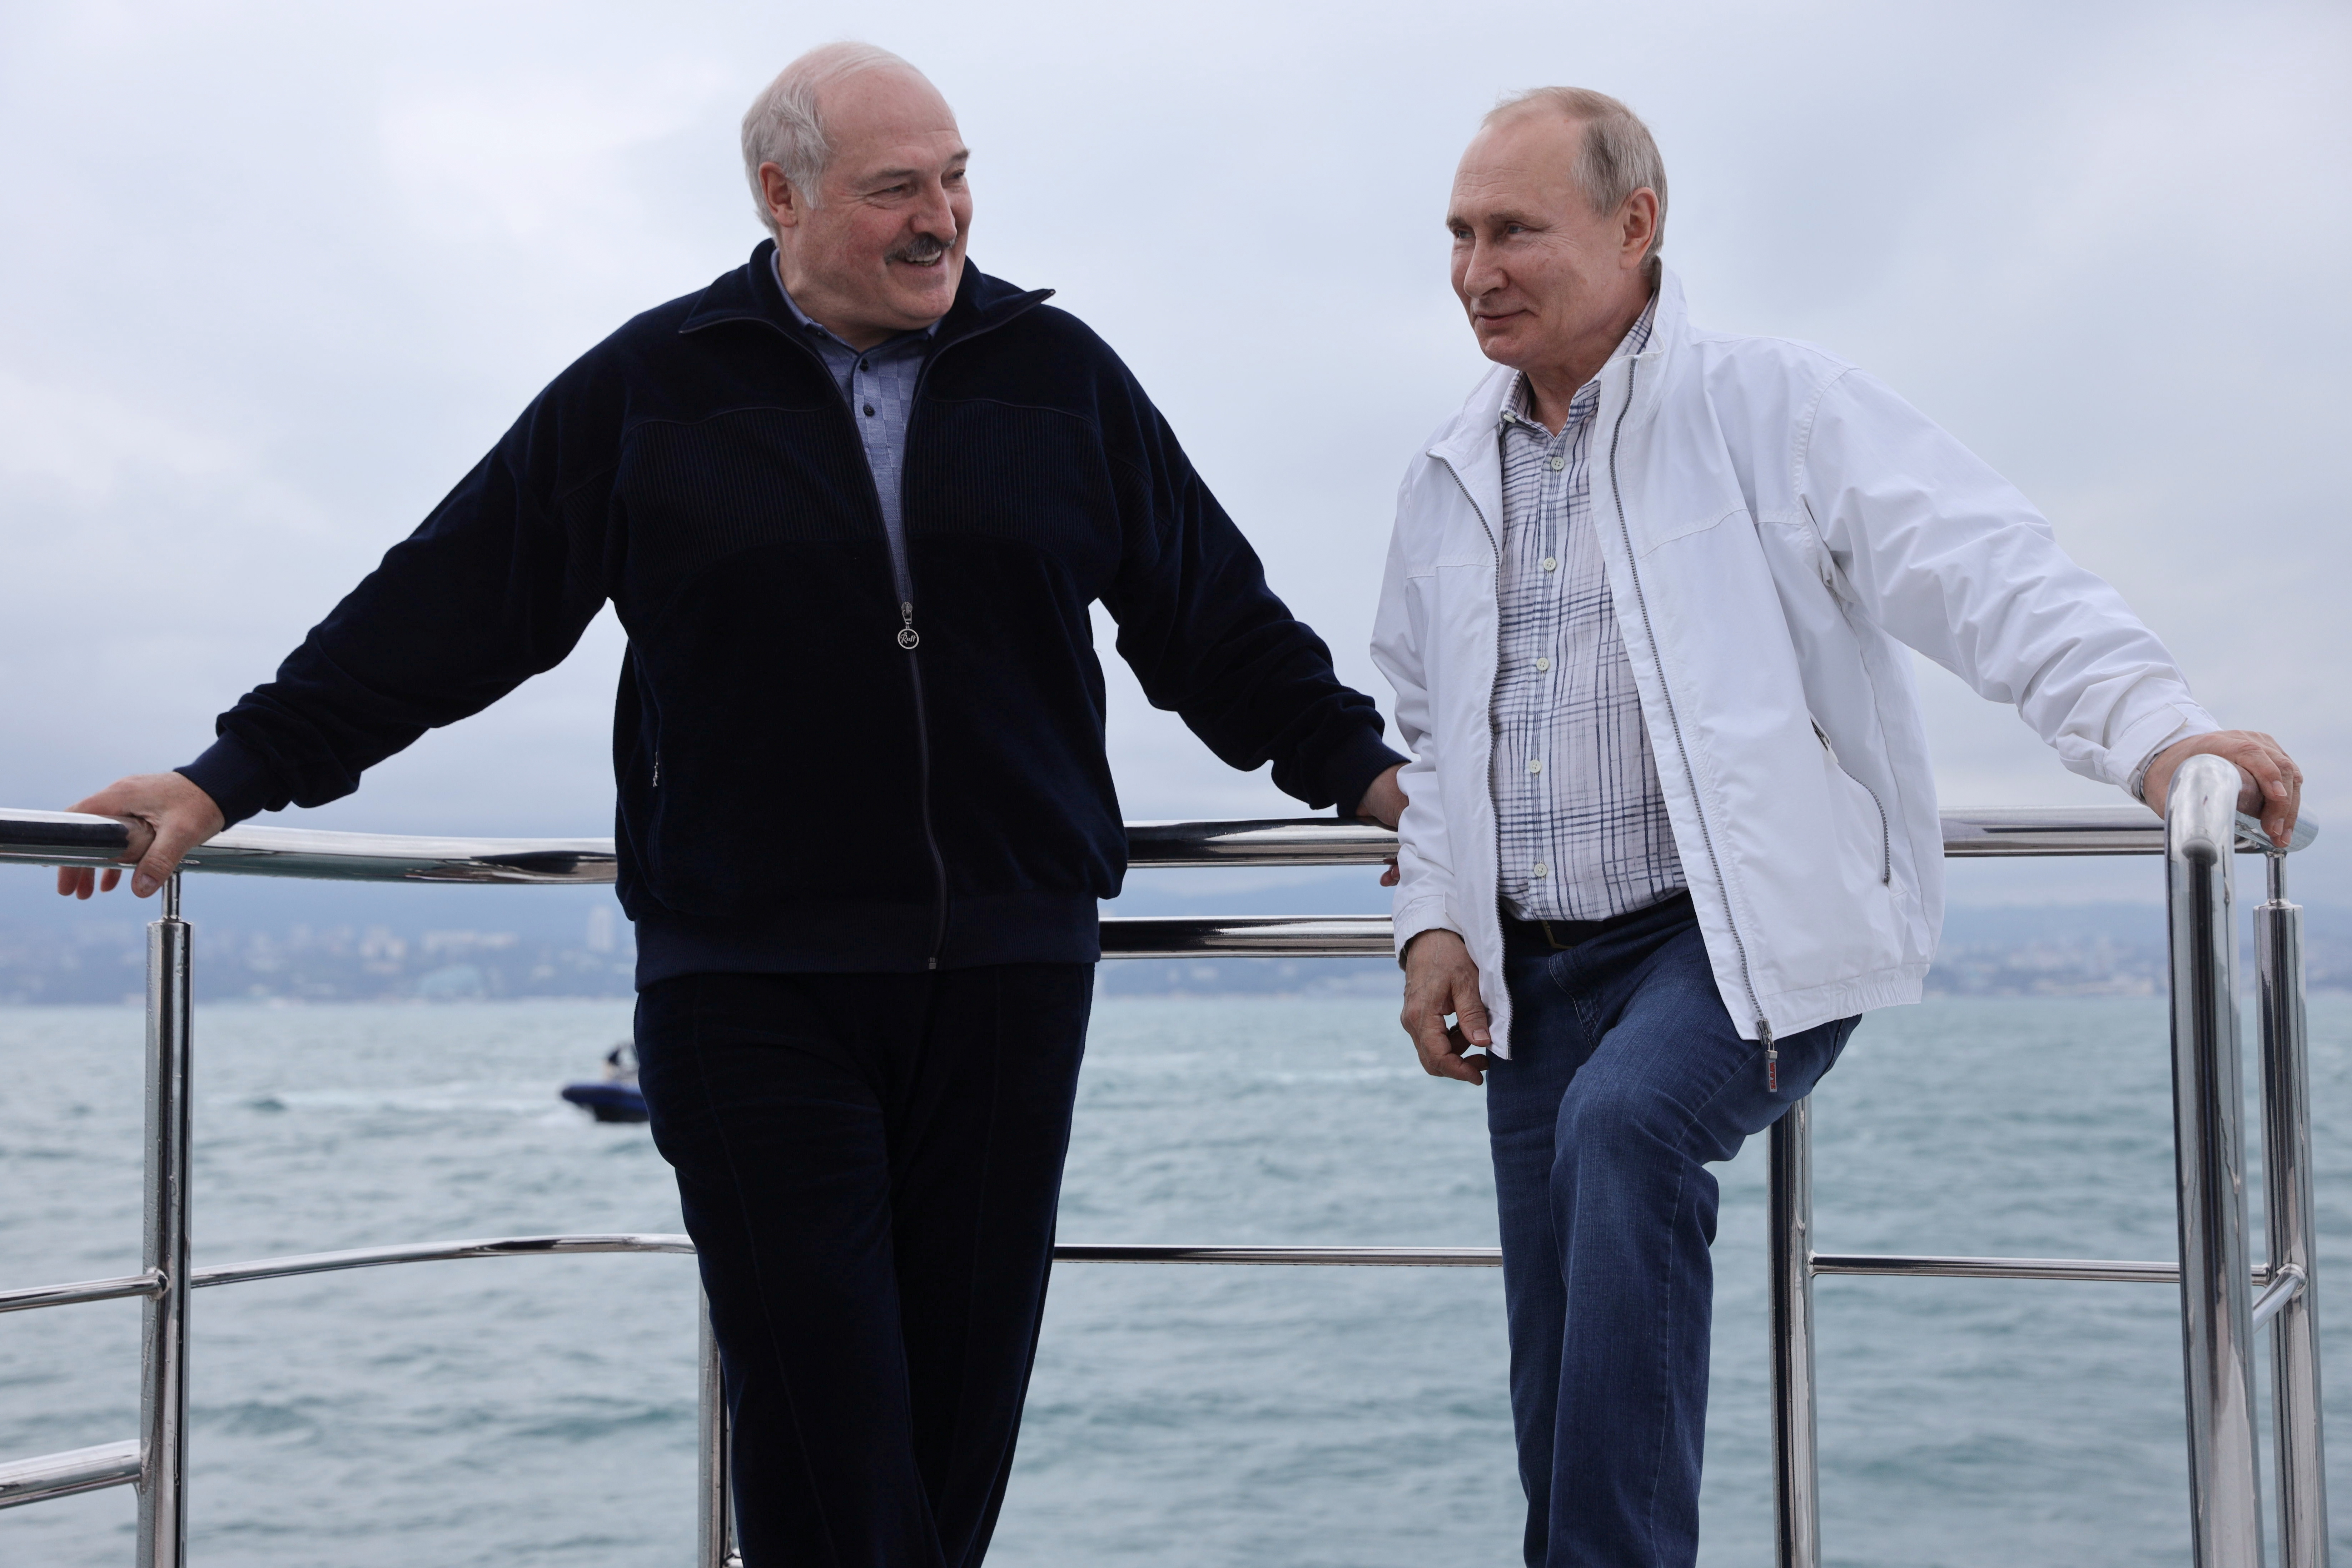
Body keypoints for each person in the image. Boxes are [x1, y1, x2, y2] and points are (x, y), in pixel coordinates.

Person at [58, 44, 1407, 1567]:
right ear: (781, 195)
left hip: (1010, 978)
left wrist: (1373, 785)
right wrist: (228, 776)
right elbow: (447, 609)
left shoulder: (1060, 377)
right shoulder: (654, 389)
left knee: (951, 1432)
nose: (941, 218)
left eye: (956, 178)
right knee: (826, 1417)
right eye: (897, 187)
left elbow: (1214, 627)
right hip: (750, 982)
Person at [1370, 86, 2301, 1568]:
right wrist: (1430, 919)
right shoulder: (1445, 476)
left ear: (1634, 226)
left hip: (1731, 943)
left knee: (1626, 1136)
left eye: (1514, 232)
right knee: (1553, 1356)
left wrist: (2149, 732)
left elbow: (1981, 567)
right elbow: (1429, 729)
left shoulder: (1773, 408)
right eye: (1460, 235)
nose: (1476, 269)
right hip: (1532, 968)